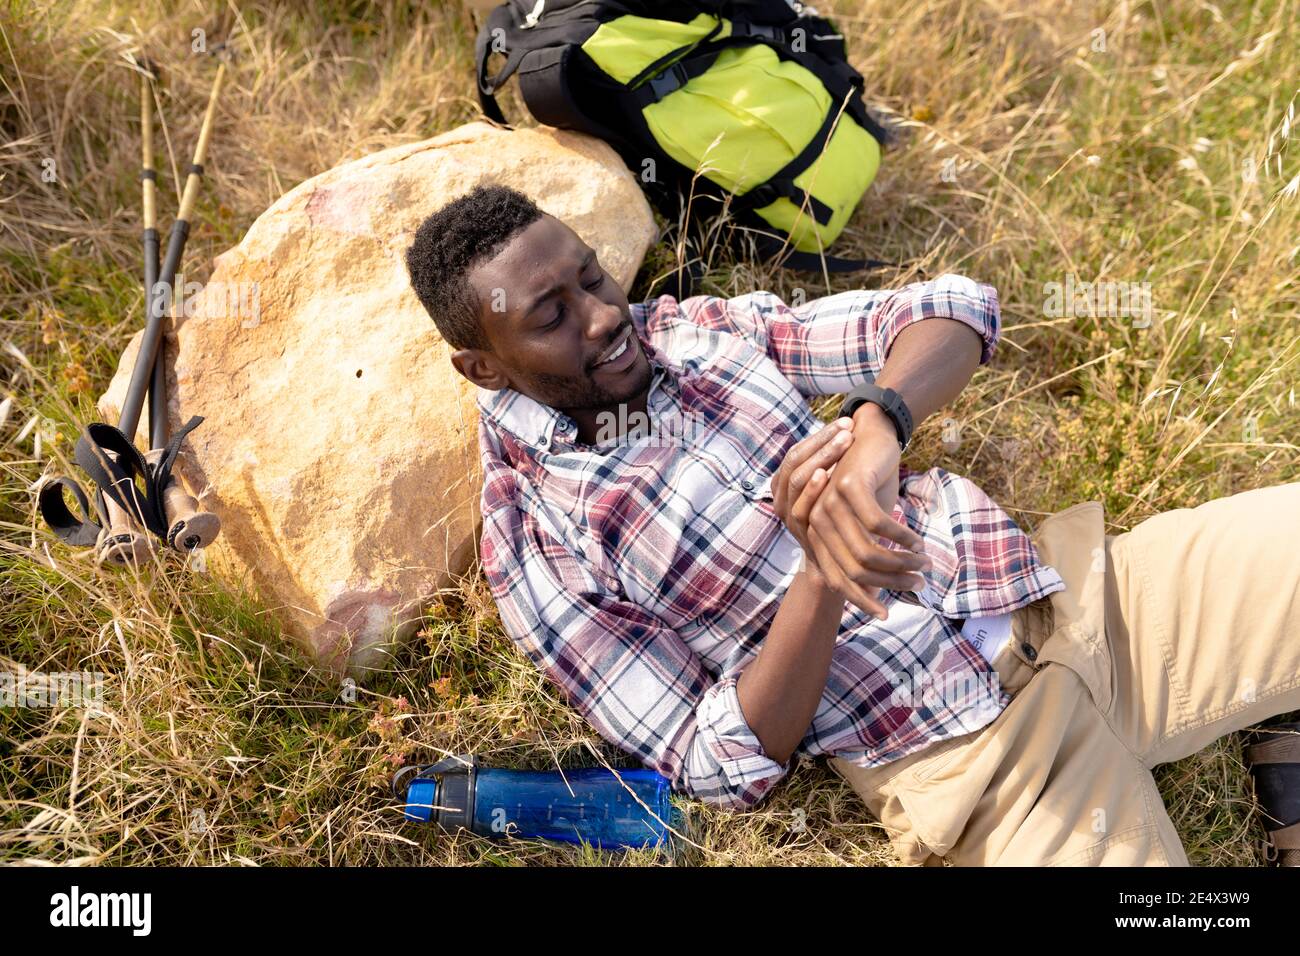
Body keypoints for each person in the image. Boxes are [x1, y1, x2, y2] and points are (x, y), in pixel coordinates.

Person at [404, 183, 1300, 866]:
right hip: (972, 763)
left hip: (1075, 600)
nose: (603, 317)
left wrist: (880, 424)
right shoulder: (535, 547)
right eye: (551, 316)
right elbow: (717, 764)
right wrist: (821, 575)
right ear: (483, 366)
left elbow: (951, 307)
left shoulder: (698, 332)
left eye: (591, 276)